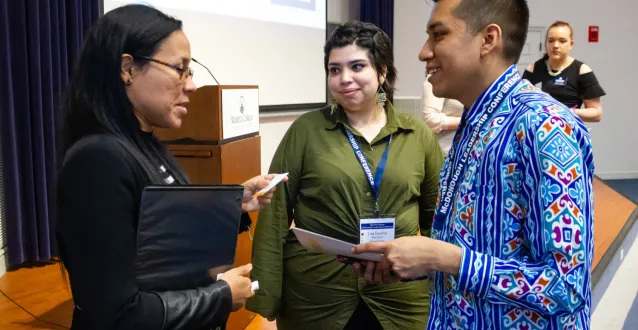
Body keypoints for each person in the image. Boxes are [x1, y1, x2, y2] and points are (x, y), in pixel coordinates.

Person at [353, 0, 595, 329]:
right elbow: (482, 251)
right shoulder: (476, 121)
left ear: (488, 40)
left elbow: (563, 287)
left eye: (438, 35)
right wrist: (418, 263)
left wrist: (440, 257)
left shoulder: (544, 125)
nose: (424, 52)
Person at [56, 5, 284, 330]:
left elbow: (159, 233)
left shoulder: (143, 142)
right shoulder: (98, 160)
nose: (191, 85)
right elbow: (117, 314)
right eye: (180, 69)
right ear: (128, 69)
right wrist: (220, 296)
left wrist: (234, 205)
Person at [245, 21, 444, 330]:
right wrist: (265, 293)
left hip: (399, 295)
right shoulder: (306, 131)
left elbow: (438, 218)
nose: (344, 79)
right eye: (334, 69)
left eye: (356, 66)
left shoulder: (416, 134)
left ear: (382, 72)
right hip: (318, 296)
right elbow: (275, 216)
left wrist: (440, 281)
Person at [522, 21, 606, 122]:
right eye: (551, 40)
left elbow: (597, 114)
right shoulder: (532, 69)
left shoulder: (582, 71)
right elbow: (520, 104)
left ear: (571, 44)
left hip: (567, 133)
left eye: (562, 41)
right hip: (535, 133)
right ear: (546, 43)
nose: (555, 45)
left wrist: (563, 111)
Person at [421, 78, 463, 154]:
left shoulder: (471, 80)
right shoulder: (436, 79)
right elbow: (430, 120)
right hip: (445, 152)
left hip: (471, 150)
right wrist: (467, 120)